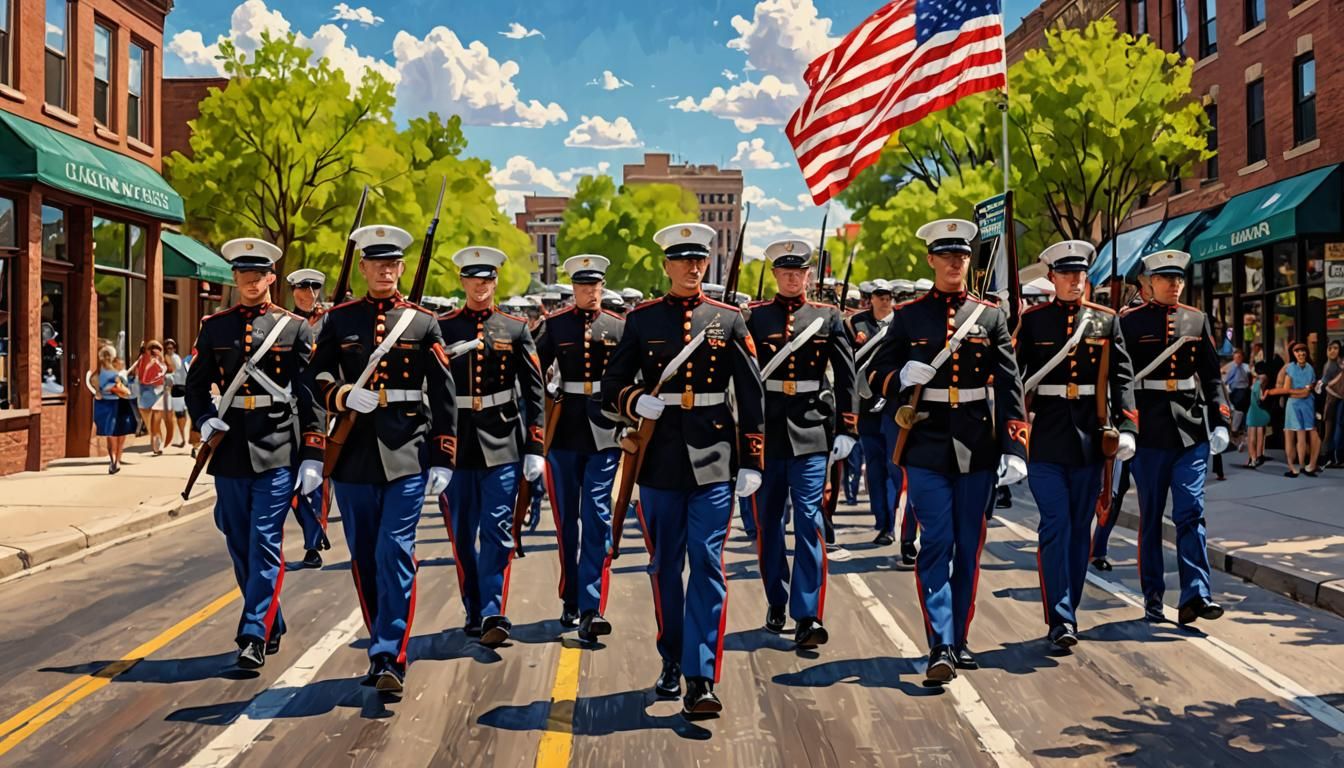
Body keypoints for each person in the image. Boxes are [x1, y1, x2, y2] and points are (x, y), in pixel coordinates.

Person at [601, 222, 765, 717]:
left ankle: (700, 676)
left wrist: (752, 458)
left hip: (714, 456)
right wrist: (634, 401)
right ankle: (671, 656)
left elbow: (751, 391)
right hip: (659, 461)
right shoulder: (642, 320)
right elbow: (611, 385)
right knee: (665, 566)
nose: (693, 268)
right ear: (667, 265)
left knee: (709, 564)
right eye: (683, 260)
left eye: (700, 260)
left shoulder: (730, 319)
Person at [867, 218, 1028, 684]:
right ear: (932, 260)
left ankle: (959, 638)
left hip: (977, 443)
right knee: (936, 541)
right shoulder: (910, 315)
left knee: (969, 545)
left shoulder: (991, 315)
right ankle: (940, 641)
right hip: (926, 443)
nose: (956, 262)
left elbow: (1010, 381)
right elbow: (875, 374)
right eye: (947, 255)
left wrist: (1014, 444)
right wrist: (900, 378)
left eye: (962, 256)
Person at [306, 225, 458, 695]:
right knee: (366, 556)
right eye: (377, 263)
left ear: (402, 269)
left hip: (407, 451)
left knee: (394, 550)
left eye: (394, 264)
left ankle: (390, 653)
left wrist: (443, 455)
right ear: (364, 268)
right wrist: (343, 393)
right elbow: (315, 376)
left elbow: (444, 392)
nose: (386, 271)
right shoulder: (339, 319)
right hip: (354, 455)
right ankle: (380, 637)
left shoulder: (422, 322)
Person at [186, 238, 323, 670]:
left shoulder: (293, 328)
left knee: (265, 539)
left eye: (257, 274)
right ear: (234, 278)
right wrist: (204, 420)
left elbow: (309, 394)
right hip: (229, 448)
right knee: (238, 538)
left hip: (277, 445)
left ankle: (252, 634)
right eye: (242, 274)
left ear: (271, 278)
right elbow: (196, 383)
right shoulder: (215, 326)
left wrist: (314, 451)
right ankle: (270, 620)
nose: (249, 280)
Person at [1014, 241, 1137, 650]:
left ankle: (1069, 607)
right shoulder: (1034, 322)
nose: (1074, 280)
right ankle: (1060, 617)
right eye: (1066, 274)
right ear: (1051, 278)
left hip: (1089, 438)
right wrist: (1011, 436)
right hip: (1046, 439)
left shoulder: (1106, 321)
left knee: (1079, 529)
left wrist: (1127, 426)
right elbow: (1014, 378)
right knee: (1055, 525)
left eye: (1080, 274)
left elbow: (1122, 377)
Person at [744, 238, 857, 649]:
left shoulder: (828, 317)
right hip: (768, 431)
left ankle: (807, 614)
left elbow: (847, 375)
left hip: (811, 429)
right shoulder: (753, 317)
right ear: (775, 275)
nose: (793, 278)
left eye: (800, 272)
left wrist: (848, 428)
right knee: (768, 523)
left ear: (809, 274)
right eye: (785, 272)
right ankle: (777, 596)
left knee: (808, 519)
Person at [437, 247, 545, 648]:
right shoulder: (442, 327)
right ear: (463, 282)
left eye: (487, 279)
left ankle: (493, 610)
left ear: (496, 281)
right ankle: (473, 606)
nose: (481, 286)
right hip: (459, 444)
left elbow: (534, 392)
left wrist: (535, 445)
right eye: (473, 279)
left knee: (498, 530)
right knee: (463, 533)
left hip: (503, 442)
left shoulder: (515, 328)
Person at [1121, 249, 1230, 626]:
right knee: (1151, 518)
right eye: (1166, 278)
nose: (1175, 284)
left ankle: (1196, 594)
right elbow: (1121, 381)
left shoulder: (1197, 320)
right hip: (1148, 432)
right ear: (1149, 283)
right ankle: (1153, 595)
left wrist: (1220, 421)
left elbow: (1212, 375)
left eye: (1179, 278)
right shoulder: (1129, 322)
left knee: (1191, 511)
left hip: (1189, 429)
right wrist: (1125, 426)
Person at [535, 254, 624, 643]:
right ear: (573, 289)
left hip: (605, 431)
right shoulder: (555, 327)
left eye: (596, 286)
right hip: (565, 431)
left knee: (597, 516)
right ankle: (570, 595)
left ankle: (591, 606)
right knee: (566, 522)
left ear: (603, 287)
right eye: (584, 286)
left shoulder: (619, 327)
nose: (591, 292)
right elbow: (533, 373)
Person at [848, 280, 915, 558]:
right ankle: (883, 522)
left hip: (891, 405)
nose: (885, 300)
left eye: (889, 296)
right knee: (874, 468)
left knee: (893, 466)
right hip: (865, 405)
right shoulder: (856, 324)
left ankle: (896, 523)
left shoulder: (903, 323)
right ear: (870, 298)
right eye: (880, 295)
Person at [287, 267, 333, 568]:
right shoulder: (283, 323)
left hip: (321, 406)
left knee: (317, 477)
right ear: (294, 291)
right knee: (289, 478)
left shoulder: (331, 322)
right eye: (304, 289)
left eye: (314, 288)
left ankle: (314, 540)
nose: (309, 294)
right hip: (288, 407)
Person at [1275, 342, 1320, 477]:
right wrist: (1300, 392)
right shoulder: (1290, 368)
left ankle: (1300, 466)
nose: (1300, 353)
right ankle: (1293, 467)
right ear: (1293, 354)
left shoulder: (1309, 368)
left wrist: (1296, 392)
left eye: (1302, 351)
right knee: (1290, 435)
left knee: (1301, 436)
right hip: (1294, 405)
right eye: (1297, 351)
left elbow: (1305, 390)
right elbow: (1287, 389)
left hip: (1305, 404)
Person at [92, 345, 136, 474]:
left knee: (120, 433)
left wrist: (120, 385)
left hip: (120, 402)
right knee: (111, 434)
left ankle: (117, 459)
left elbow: (124, 382)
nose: (106, 357)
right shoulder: (99, 371)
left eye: (108, 355)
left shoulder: (118, 366)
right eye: (104, 355)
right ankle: (113, 461)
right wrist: (99, 390)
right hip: (108, 403)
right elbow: (93, 381)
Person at [133, 340, 170, 455]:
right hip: (156, 391)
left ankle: (155, 443)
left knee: (150, 423)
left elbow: (136, 374)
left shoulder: (141, 358)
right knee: (156, 423)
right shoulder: (161, 360)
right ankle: (157, 444)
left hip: (145, 391)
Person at [1322, 340, 1343, 468]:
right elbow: (1325, 385)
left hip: (1337, 401)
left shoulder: (1339, 364)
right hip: (1331, 402)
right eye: (1330, 348)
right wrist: (1339, 396)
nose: (1333, 351)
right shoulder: (1330, 366)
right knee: (1329, 431)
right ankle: (1327, 457)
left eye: (1335, 348)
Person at [1245, 361, 1271, 468]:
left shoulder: (1256, 381)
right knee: (1261, 435)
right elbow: (1262, 398)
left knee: (1251, 436)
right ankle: (1260, 456)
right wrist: (1267, 393)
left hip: (1253, 410)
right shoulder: (1265, 379)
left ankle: (1252, 458)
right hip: (1261, 410)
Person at [1224, 349, 1251, 444]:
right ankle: (1235, 430)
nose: (1237, 360)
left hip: (1244, 391)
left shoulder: (1246, 367)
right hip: (1234, 391)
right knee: (1237, 410)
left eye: (1239, 357)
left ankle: (1238, 430)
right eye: (1235, 358)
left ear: (1242, 358)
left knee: (1241, 409)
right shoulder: (1231, 367)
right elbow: (1226, 378)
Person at [164, 339, 187, 448]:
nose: (170, 350)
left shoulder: (174, 358)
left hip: (179, 387)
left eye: (171, 348)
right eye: (168, 348)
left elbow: (175, 369)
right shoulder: (168, 358)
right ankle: (183, 438)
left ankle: (183, 439)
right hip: (176, 387)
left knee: (180, 413)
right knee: (180, 413)